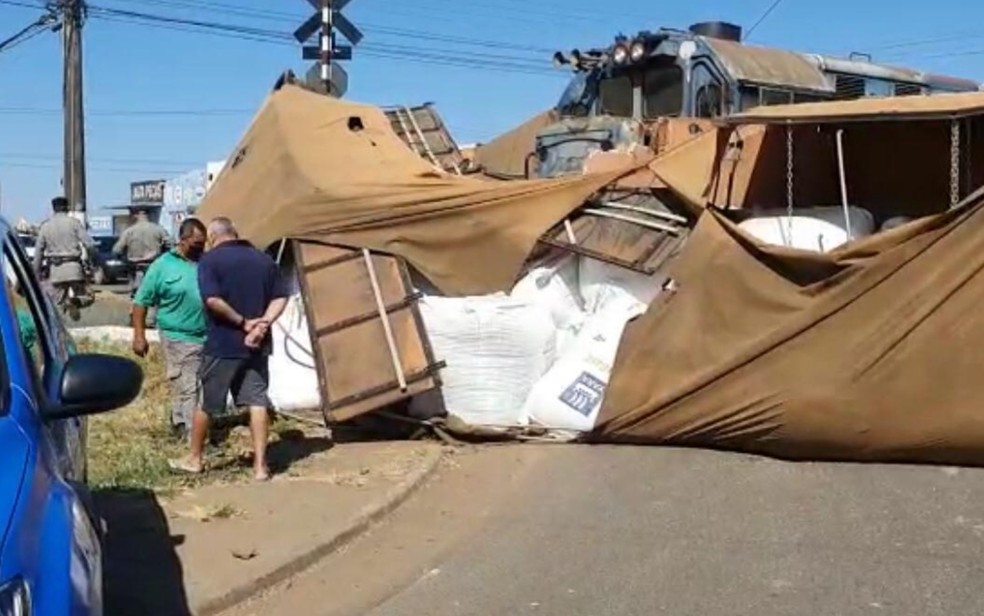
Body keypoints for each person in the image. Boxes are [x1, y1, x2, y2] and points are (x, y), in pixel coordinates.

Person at [170, 217, 287, 480]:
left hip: (223, 343)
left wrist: (243, 323)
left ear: (212, 237)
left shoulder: (210, 261)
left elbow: (213, 300)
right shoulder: (264, 259)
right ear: (235, 233)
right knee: (257, 401)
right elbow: (280, 296)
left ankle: (194, 459)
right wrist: (263, 324)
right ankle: (260, 466)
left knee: (207, 403)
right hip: (257, 345)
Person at [131, 218, 208, 440]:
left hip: (206, 335)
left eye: (203, 243)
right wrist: (139, 336)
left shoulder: (207, 263)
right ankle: (193, 438)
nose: (200, 248)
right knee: (189, 384)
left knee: (188, 383)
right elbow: (140, 302)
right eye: (196, 244)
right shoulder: (162, 265)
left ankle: (179, 422)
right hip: (177, 336)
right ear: (182, 240)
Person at [34, 196, 96, 320]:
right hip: (74, 268)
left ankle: (57, 324)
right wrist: (92, 262)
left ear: (53, 209)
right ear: (67, 208)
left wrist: (36, 272)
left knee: (56, 303)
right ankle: (74, 302)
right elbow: (89, 244)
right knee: (88, 296)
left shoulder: (45, 226)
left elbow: (38, 251)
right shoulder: (74, 223)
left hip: (56, 270)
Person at [113, 208, 170, 297]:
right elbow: (169, 244)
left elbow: (116, 250)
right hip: (153, 263)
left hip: (134, 263)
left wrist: (122, 258)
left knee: (134, 287)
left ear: (136, 216)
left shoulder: (129, 231)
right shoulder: (159, 229)